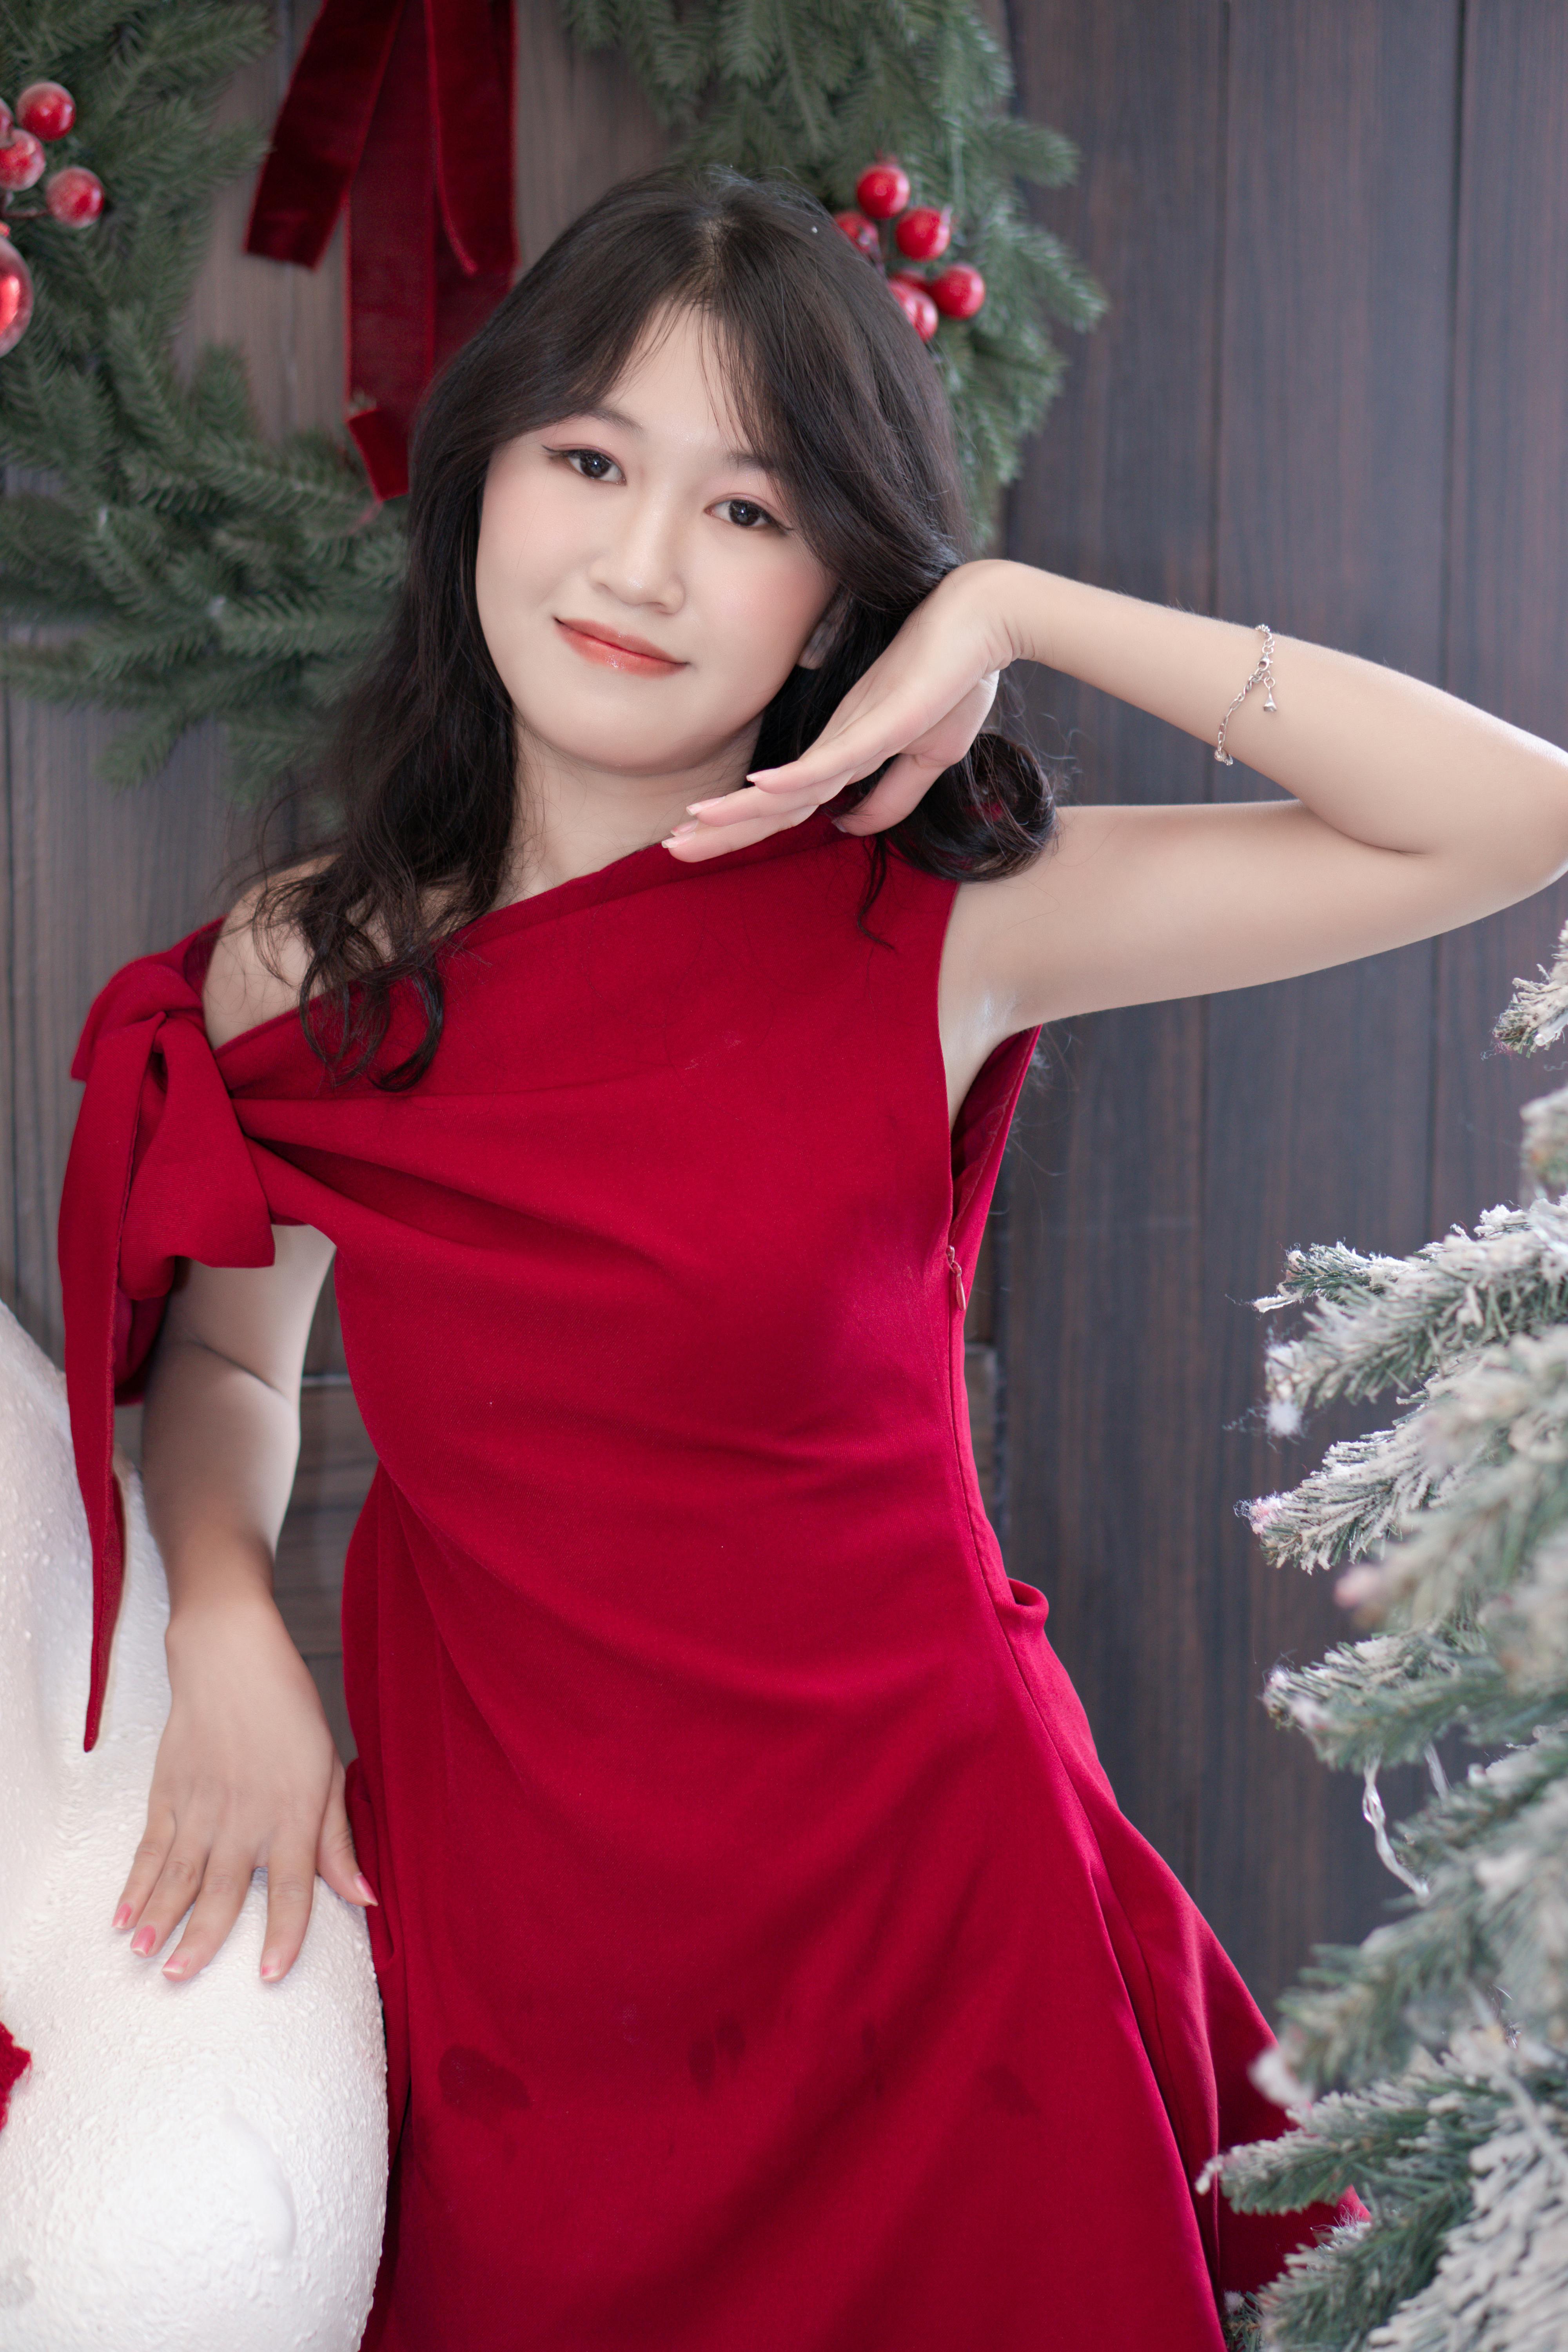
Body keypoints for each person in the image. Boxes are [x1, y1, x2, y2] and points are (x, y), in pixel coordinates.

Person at [59, 165, 1568, 2350]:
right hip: (525, 1952)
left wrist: (1023, 607)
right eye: (591, 462)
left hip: (924, 1925)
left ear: (846, 591)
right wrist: (224, 1621)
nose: (643, 566)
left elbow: (1510, 815)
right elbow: (221, 1364)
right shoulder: (311, 964)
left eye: (751, 509)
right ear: (479, 478)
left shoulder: (938, 924)